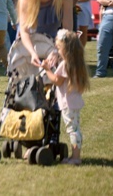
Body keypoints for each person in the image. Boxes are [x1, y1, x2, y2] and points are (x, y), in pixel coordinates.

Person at [41, 29, 89, 165]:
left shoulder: (65, 64)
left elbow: (56, 80)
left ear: (66, 49)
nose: (58, 50)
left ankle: (76, 157)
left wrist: (46, 69)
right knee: (75, 129)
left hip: (68, 103)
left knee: (73, 130)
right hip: (75, 102)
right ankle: (75, 155)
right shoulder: (76, 63)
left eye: (59, 48)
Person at [18, 0, 74, 68]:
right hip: (30, 40)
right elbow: (24, 30)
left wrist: (57, 51)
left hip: (56, 40)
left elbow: (67, 29)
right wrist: (33, 53)